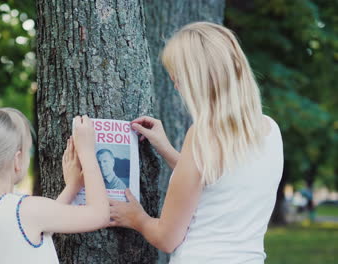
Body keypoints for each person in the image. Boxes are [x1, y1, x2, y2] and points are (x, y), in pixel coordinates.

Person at [109, 22, 283, 264]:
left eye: (178, 77)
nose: (176, 85)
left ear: (196, 79)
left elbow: (167, 238)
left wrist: (136, 217)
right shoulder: (270, 130)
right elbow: (220, 183)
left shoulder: (203, 135)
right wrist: (167, 149)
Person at [0, 108, 109, 264]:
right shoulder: (24, 209)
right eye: (29, 151)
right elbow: (99, 215)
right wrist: (87, 152)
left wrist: (72, 187)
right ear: (17, 159)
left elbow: (40, 222)